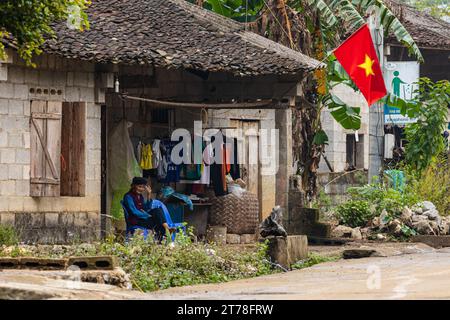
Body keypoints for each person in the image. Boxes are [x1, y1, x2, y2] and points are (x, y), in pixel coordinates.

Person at [123, 177, 175, 241]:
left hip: (142, 218)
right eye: (139, 186)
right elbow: (134, 211)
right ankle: (162, 238)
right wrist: (146, 215)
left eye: (143, 187)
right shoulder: (128, 196)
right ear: (133, 186)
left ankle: (166, 229)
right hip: (135, 220)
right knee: (157, 221)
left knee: (157, 210)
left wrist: (148, 195)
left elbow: (146, 208)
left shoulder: (140, 196)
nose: (141, 189)